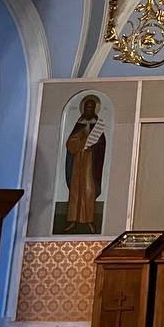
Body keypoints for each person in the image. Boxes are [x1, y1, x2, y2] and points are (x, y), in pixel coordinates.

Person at [63, 94, 107, 232]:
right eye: (86, 107)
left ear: (94, 109)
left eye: (91, 107)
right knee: (76, 189)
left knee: (89, 189)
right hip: (77, 161)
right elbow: (70, 143)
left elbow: (102, 143)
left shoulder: (97, 124)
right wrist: (79, 140)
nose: (88, 109)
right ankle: (73, 221)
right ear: (83, 109)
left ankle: (90, 221)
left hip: (90, 162)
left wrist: (94, 145)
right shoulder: (79, 123)